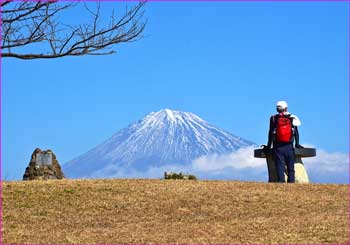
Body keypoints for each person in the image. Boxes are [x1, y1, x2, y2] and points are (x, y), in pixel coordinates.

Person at [265, 101, 303, 183]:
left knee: (280, 167)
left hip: (278, 147)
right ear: (286, 108)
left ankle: (281, 184)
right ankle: (291, 185)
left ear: (277, 109)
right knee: (291, 168)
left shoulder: (273, 118)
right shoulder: (292, 117)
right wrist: (297, 144)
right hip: (289, 146)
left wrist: (268, 145)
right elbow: (296, 132)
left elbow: (270, 133)